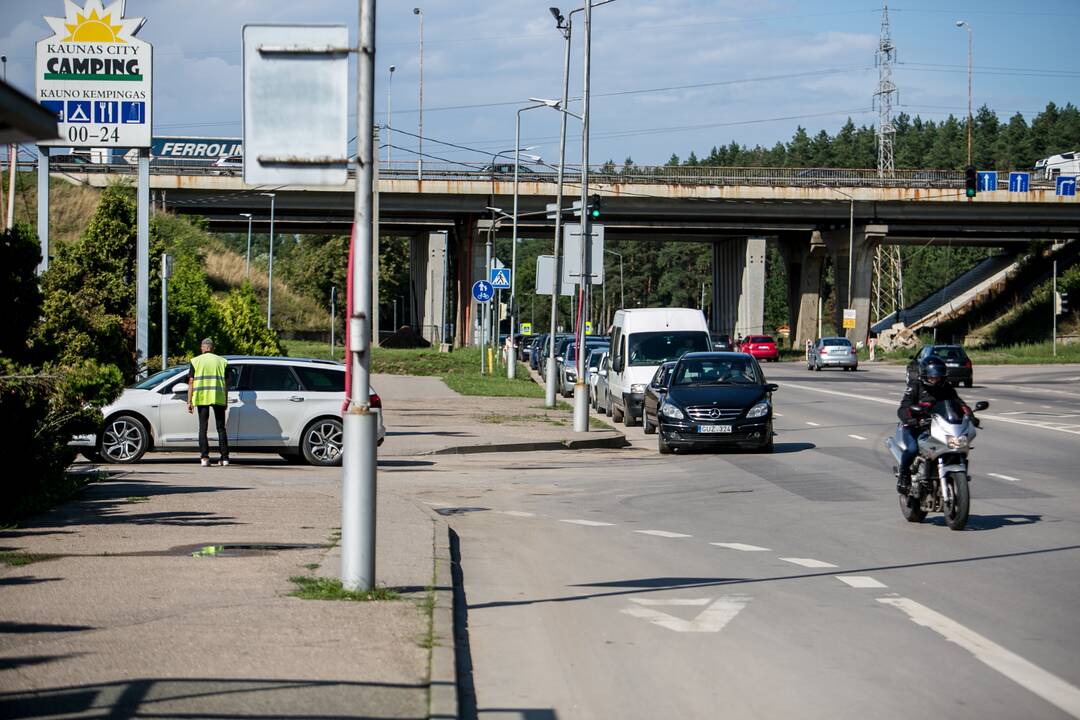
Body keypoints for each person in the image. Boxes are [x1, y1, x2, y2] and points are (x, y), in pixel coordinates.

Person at [894, 355, 973, 493]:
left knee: (956, 446)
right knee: (912, 449)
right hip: (916, 427)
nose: (935, 380)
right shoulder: (915, 386)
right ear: (924, 375)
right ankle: (904, 475)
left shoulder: (946, 388)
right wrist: (910, 419)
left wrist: (970, 416)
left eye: (938, 377)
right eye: (932, 377)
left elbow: (959, 404)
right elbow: (904, 407)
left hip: (937, 427)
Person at [187, 338, 230, 467]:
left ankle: (204, 458)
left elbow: (191, 382)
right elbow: (227, 382)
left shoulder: (196, 361)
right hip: (218, 397)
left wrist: (189, 401)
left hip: (202, 397)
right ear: (212, 348)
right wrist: (225, 400)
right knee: (221, 428)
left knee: (203, 428)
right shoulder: (222, 361)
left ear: (203, 348)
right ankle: (225, 458)